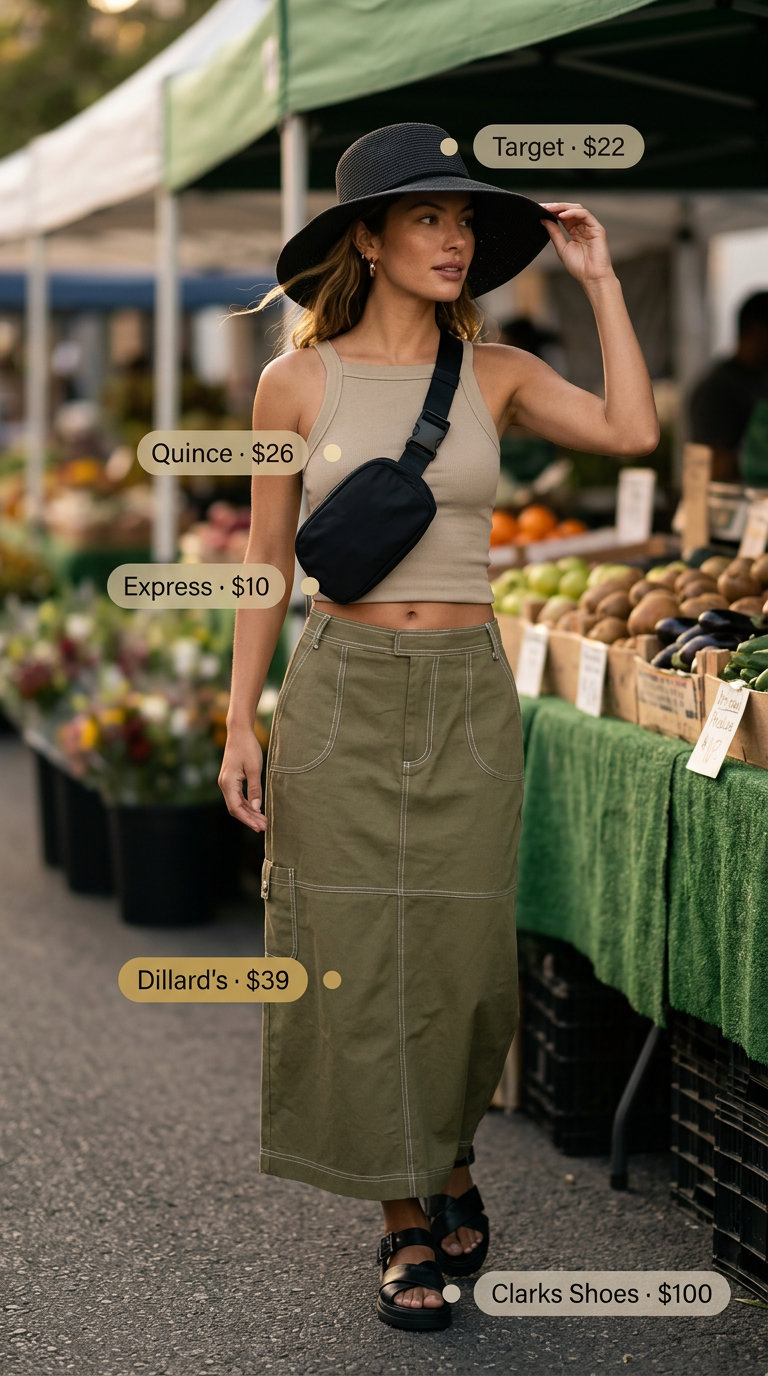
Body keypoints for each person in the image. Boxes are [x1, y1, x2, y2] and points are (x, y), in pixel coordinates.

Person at [218, 122, 658, 1333]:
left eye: (464, 219)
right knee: (356, 951)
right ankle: (403, 1212)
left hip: (467, 686)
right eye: (427, 216)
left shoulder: (498, 372)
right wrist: (240, 718)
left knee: (461, 959)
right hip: (339, 686)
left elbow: (633, 434)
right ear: (368, 238)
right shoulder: (293, 383)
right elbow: (265, 560)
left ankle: (448, 1150)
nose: (454, 238)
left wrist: (601, 281)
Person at [688, 289, 768, 483]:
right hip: (735, 497)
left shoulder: (761, 379)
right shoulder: (717, 389)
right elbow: (713, 466)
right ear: (754, 331)